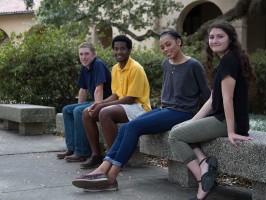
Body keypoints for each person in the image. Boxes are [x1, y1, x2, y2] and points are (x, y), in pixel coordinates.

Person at [71, 30, 211, 192]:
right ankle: (102, 169)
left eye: (168, 44)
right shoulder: (166, 64)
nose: (165, 49)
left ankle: (110, 178)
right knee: (124, 128)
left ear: (179, 42)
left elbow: (207, 95)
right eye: (161, 47)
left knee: (132, 127)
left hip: (184, 113)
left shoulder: (193, 65)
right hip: (166, 109)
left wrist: (202, 121)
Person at [168, 21, 256, 200]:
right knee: (180, 129)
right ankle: (204, 163)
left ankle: (203, 182)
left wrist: (231, 131)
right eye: (211, 37)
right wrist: (193, 121)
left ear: (230, 39)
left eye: (220, 36)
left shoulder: (229, 60)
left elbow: (228, 99)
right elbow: (212, 99)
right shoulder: (227, 59)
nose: (214, 40)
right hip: (223, 118)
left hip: (228, 121)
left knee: (175, 136)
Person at [79, 35, 151, 169]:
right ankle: (96, 155)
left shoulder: (136, 68)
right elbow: (116, 95)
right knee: (87, 112)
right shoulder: (115, 68)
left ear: (129, 50)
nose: (119, 52)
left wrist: (103, 105)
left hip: (139, 108)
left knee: (105, 113)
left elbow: (130, 99)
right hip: (123, 105)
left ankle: (114, 159)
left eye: (123, 49)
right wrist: (98, 104)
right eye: (116, 49)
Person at [57, 42, 112, 161]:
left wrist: (96, 108)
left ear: (94, 54)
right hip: (95, 101)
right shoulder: (85, 67)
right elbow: (83, 90)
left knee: (78, 111)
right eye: (81, 54)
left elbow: (99, 89)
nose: (83, 57)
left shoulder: (98, 65)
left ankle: (82, 152)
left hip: (106, 102)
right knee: (67, 110)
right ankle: (71, 148)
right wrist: (79, 107)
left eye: (87, 54)